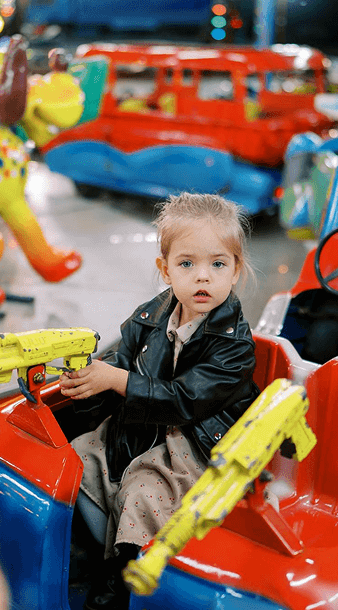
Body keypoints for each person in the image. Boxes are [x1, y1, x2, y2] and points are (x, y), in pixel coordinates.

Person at [60, 192, 261, 610]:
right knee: (76, 458)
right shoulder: (149, 315)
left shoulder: (236, 345)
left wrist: (117, 379)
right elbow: (121, 362)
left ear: (236, 270)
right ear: (165, 269)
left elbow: (185, 399)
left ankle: (121, 584)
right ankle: (88, 551)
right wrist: (87, 385)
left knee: (143, 492)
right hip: (140, 425)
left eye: (217, 264)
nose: (202, 277)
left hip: (195, 441)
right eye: (187, 264)